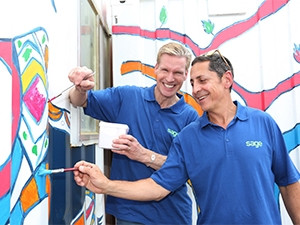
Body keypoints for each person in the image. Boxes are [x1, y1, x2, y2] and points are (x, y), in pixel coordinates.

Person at [73, 50, 300, 225]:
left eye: (202, 80)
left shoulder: (263, 123)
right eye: (193, 82)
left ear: (227, 79)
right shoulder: (189, 137)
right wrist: (105, 185)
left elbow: (288, 182)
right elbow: (156, 188)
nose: (196, 88)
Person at [68, 42, 199, 224]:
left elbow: (186, 169)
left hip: (172, 216)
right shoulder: (127, 97)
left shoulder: (190, 117)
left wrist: (143, 155)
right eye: (165, 70)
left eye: (177, 72)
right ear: (155, 68)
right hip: (129, 213)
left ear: (185, 75)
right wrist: (80, 88)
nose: (170, 78)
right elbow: (79, 101)